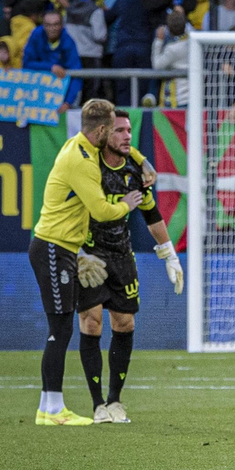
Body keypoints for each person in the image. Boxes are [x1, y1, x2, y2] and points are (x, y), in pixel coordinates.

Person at [28, 99, 152, 426]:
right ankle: (52, 410)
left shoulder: (80, 145)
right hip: (54, 247)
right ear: (100, 130)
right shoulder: (82, 161)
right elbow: (101, 211)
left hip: (64, 249)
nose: (116, 135)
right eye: (112, 129)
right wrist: (126, 205)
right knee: (60, 328)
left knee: (63, 326)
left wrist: (142, 159)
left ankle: (49, 407)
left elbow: (125, 151)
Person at [71, 111, 180, 424]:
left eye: (130, 130)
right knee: (91, 323)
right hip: (89, 255)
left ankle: (115, 401)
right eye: (120, 131)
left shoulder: (134, 171)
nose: (127, 136)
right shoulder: (88, 164)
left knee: (124, 324)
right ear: (105, 134)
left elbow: (151, 214)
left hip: (122, 255)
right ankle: (97, 406)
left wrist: (169, 254)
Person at [22, 7, 83, 109]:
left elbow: (76, 72)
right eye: (48, 25)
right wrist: (50, 67)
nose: (52, 28)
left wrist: (68, 102)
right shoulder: (36, 36)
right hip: (38, 92)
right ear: (43, 25)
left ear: (61, 25)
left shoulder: (68, 42)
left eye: (56, 24)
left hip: (62, 90)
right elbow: (27, 63)